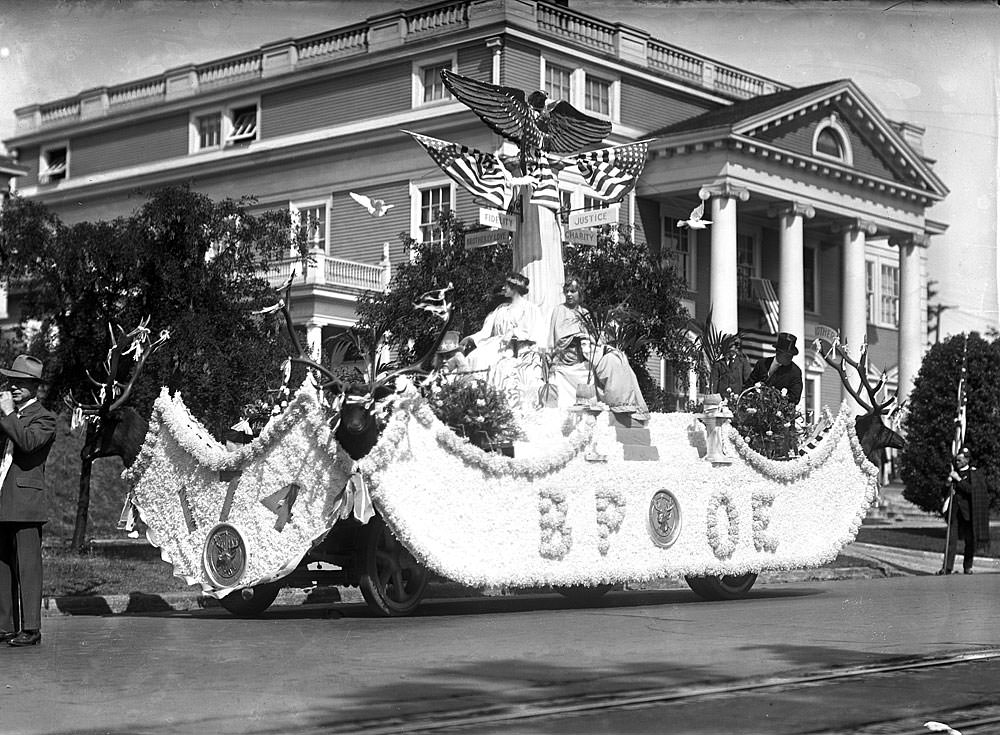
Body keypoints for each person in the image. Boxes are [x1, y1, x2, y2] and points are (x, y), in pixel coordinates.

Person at [0, 355, 57, 647]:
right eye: (11, 382)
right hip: (3, 497)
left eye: (21, 384)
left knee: (28, 564)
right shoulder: (8, 416)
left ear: (34, 387)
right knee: (2, 564)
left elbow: (28, 443)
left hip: (26, 501)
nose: (13, 388)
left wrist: (9, 415)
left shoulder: (44, 417)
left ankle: (31, 628)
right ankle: (5, 625)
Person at [548, 276, 649, 421]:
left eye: (573, 291)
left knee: (617, 358)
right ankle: (620, 403)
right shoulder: (560, 310)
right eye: (567, 291)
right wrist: (579, 336)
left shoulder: (585, 312)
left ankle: (627, 403)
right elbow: (558, 337)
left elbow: (594, 336)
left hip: (588, 350)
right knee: (609, 361)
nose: (569, 294)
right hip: (571, 354)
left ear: (580, 293)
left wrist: (593, 337)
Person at [460, 272, 546, 373]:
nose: (504, 288)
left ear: (514, 288)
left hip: (519, 348)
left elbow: (534, 333)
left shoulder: (530, 309)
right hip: (498, 345)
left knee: (489, 362)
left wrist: (513, 332)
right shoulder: (501, 309)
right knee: (473, 357)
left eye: (506, 285)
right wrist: (471, 338)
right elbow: (486, 331)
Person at [938, 446, 991, 575]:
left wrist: (958, 480)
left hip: (969, 513)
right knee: (951, 540)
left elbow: (972, 491)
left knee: (970, 541)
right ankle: (947, 567)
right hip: (955, 512)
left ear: (967, 460)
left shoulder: (974, 474)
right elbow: (943, 493)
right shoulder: (953, 472)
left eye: (961, 460)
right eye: (957, 460)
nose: (958, 462)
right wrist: (948, 483)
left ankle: (967, 566)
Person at [743, 331, 803, 406]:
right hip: (755, 410)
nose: (790, 358)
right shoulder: (762, 364)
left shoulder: (795, 372)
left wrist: (775, 400)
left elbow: (795, 398)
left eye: (791, 356)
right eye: (787, 355)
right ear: (778, 352)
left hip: (779, 413)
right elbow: (749, 385)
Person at [711, 334, 751, 401]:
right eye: (727, 347)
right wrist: (714, 398)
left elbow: (748, 382)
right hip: (721, 400)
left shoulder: (743, 363)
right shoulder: (718, 364)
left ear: (735, 348)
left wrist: (743, 397)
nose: (729, 350)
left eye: (731, 347)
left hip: (737, 399)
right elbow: (714, 383)